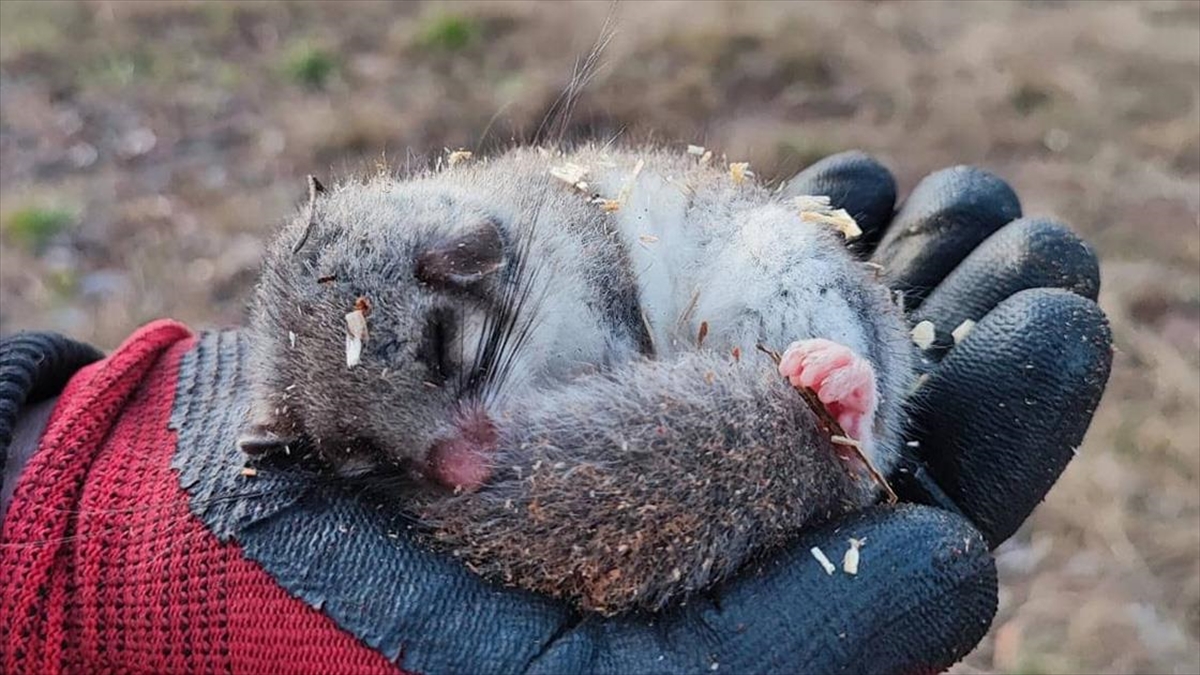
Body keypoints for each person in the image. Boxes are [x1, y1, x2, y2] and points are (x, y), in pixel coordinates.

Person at [0, 152, 1112, 675]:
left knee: (794, 272)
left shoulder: (530, 246)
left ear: (470, 260)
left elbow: (611, 339)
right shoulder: (368, 385)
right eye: (392, 450)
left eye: (455, 372)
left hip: (724, 318)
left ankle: (831, 428)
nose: (460, 467)